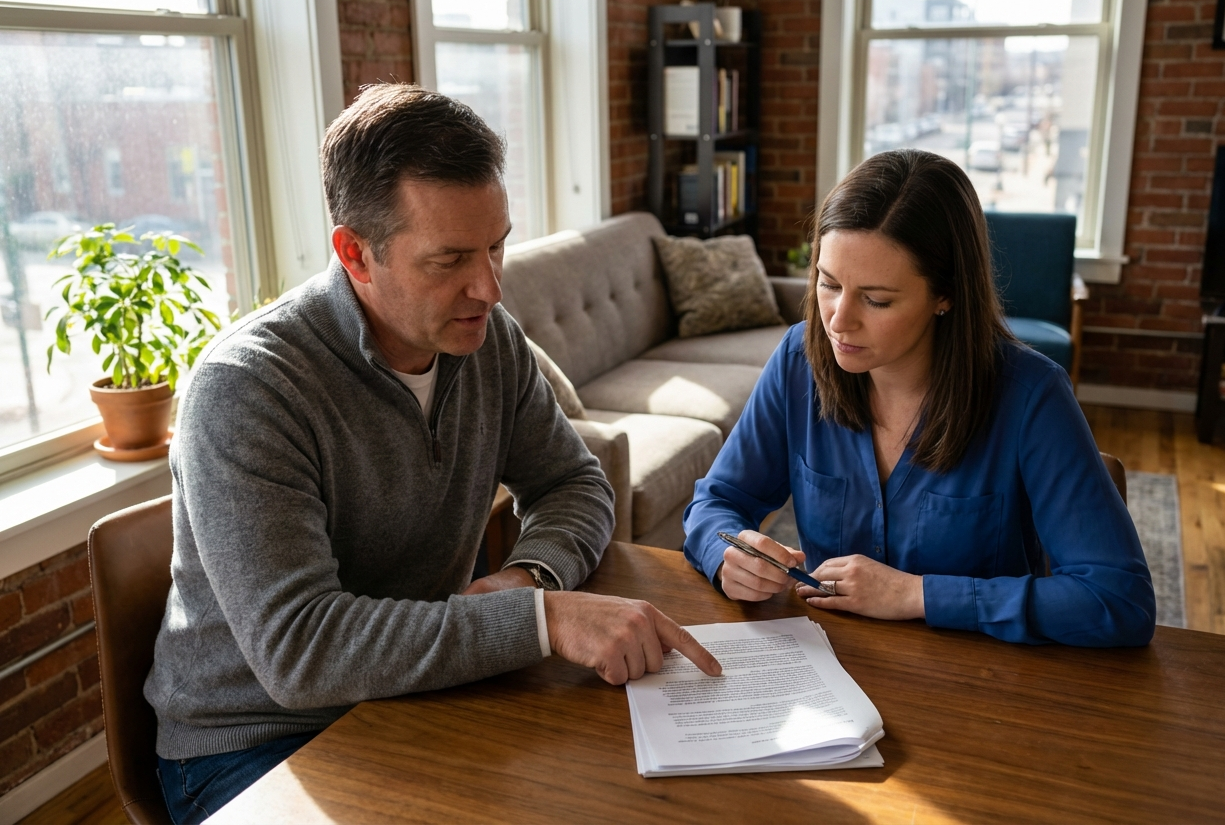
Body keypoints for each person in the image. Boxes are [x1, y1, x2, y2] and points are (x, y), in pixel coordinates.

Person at [145, 84, 720, 823]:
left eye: (497, 244)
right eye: (449, 259)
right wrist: (544, 620)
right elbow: (300, 652)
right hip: (253, 744)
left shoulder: (488, 340)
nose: (488, 285)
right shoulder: (249, 389)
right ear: (355, 252)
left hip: (422, 688)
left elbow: (573, 481)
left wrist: (527, 575)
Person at [683, 149, 1155, 647]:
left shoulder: (1032, 396)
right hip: (831, 672)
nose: (839, 320)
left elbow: (1118, 600)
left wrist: (916, 595)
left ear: (945, 294)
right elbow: (716, 502)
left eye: (876, 299)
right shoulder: (799, 359)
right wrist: (730, 556)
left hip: (981, 684)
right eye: (828, 283)